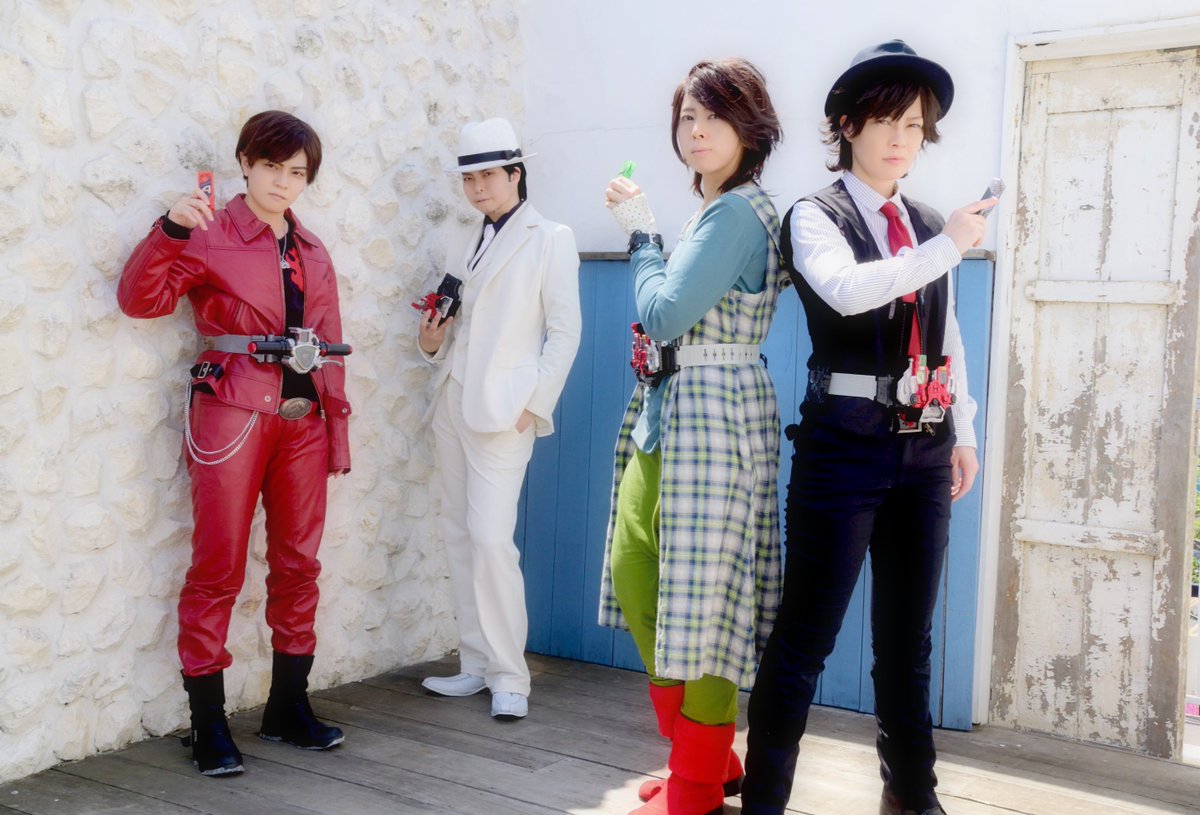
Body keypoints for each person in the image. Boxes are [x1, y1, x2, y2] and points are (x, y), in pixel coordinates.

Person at [739, 41, 992, 815]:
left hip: (927, 447)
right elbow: (847, 291)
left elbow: (946, 334)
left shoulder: (928, 221)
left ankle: (912, 795)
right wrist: (946, 246)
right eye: (885, 120)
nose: (900, 138)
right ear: (847, 125)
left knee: (908, 640)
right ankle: (765, 802)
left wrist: (965, 431)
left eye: (915, 125)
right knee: (804, 637)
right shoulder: (815, 214)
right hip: (843, 447)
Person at [118, 110, 353, 776]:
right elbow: (138, 300)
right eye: (272, 166)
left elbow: (331, 345)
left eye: (297, 172)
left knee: (299, 564)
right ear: (245, 163)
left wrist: (336, 431)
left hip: (302, 420)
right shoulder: (209, 231)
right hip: (231, 413)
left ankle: (288, 707)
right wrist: (170, 229)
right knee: (217, 566)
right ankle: (208, 723)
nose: (283, 182)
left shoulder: (313, 250)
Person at [598, 59, 785, 815]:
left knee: (706, 601)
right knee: (640, 571)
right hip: (673, 412)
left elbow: (665, 313)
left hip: (714, 414)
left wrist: (641, 233)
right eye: (687, 117)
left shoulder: (737, 212)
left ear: (751, 127)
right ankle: (699, 757)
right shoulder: (714, 210)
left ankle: (698, 786)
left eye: (715, 115)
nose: (698, 130)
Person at [417, 118, 581, 721]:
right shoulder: (465, 239)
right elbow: (453, 323)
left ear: (516, 174)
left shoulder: (550, 237)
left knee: (490, 539)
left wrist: (534, 405)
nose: (478, 188)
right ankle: (475, 663)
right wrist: (430, 341)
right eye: (469, 179)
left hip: (504, 411)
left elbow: (565, 331)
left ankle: (511, 675)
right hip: (452, 403)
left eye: (488, 175)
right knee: (459, 534)